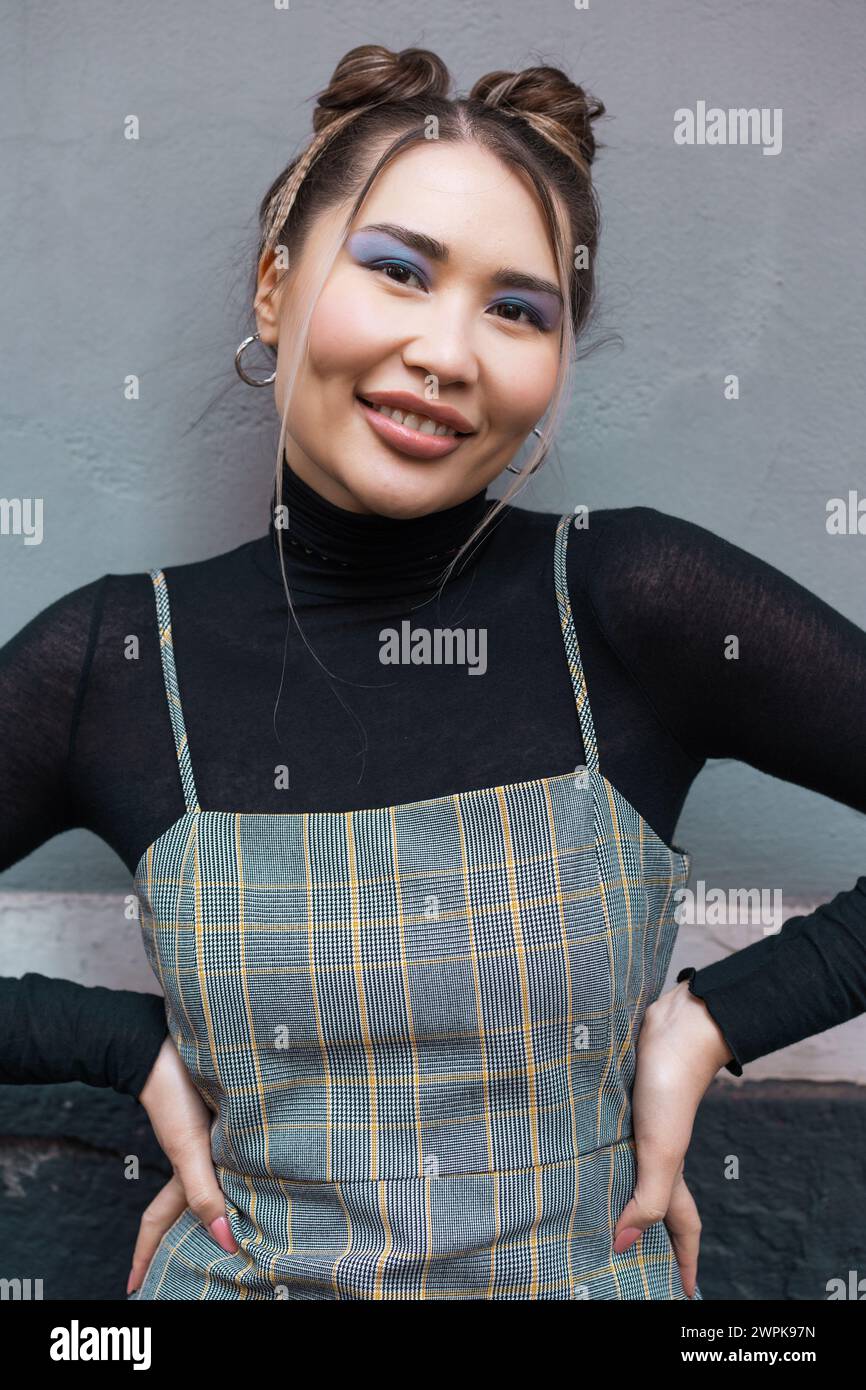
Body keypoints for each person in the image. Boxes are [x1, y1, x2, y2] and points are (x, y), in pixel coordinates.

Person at [2, 44, 864, 1301]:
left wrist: (711, 1021)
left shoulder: (633, 604)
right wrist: (107, 1039)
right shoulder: (117, 661)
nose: (447, 352)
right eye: (396, 271)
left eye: (518, 309)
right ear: (271, 288)